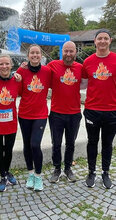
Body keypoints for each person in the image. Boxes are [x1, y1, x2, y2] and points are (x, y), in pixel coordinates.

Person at [82, 29, 116, 189]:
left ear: (110, 41)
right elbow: (80, 82)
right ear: (95, 41)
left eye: (105, 38)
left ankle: (105, 172)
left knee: (108, 143)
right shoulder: (88, 62)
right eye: (99, 38)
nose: (102, 41)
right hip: (92, 110)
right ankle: (91, 172)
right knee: (92, 142)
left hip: (112, 110)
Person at [47, 41, 83, 183]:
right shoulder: (52, 65)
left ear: (75, 52)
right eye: (66, 51)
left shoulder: (81, 68)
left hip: (74, 113)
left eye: (71, 51)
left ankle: (68, 168)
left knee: (71, 143)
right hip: (57, 113)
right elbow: (38, 72)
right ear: (62, 52)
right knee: (56, 143)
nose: (68, 54)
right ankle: (57, 168)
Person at [17, 44, 51, 191]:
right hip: (24, 113)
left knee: (35, 144)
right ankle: (30, 173)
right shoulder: (21, 70)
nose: (35, 55)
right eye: (32, 53)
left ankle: (38, 175)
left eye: (37, 53)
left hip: (40, 114)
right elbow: (17, 91)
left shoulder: (47, 71)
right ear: (28, 55)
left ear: (41, 56)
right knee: (26, 144)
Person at [0, 54, 21, 192]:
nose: (4, 66)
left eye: (7, 63)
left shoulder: (17, 81)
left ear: (11, 65)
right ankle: (3, 176)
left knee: (8, 150)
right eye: (1, 64)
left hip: (11, 121)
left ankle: (7, 171)